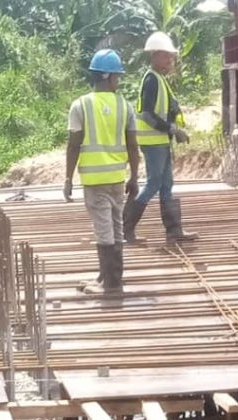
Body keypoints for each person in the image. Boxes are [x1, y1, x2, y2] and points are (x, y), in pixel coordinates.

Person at [64, 49, 140, 297]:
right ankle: (111, 277)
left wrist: (67, 178)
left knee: (104, 230)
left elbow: (74, 144)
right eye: (117, 76)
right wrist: (135, 177)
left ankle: (110, 285)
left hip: (94, 180)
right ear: (107, 76)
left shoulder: (81, 105)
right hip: (117, 178)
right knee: (116, 228)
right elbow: (132, 145)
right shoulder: (124, 105)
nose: (119, 80)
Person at [122, 32, 197, 245]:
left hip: (160, 142)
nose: (170, 61)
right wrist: (172, 129)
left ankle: (174, 232)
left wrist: (172, 130)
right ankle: (126, 228)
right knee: (154, 183)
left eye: (170, 57)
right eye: (166, 56)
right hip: (153, 143)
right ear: (155, 56)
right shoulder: (152, 80)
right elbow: (147, 113)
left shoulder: (159, 79)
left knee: (166, 184)